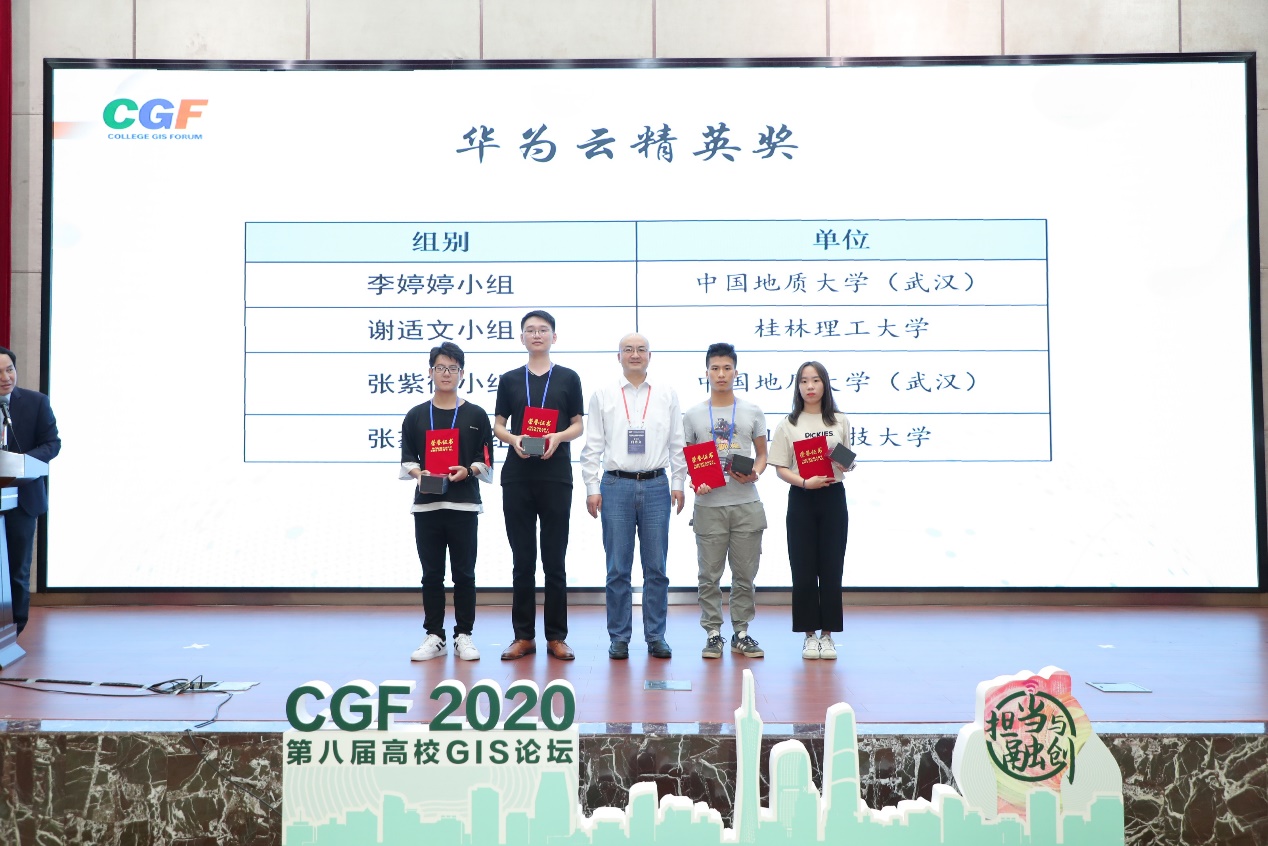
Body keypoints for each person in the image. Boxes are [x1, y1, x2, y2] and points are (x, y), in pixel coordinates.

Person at [580, 333, 686, 659]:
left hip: (656, 485)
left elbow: (677, 443)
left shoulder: (666, 393)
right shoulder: (603, 394)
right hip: (616, 486)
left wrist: (678, 482)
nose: (635, 354)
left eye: (641, 350)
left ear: (650, 356)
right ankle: (619, 638)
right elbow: (592, 446)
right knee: (617, 569)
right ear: (619, 356)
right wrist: (592, 488)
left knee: (657, 568)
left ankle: (656, 636)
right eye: (628, 349)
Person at [493, 310, 584, 661]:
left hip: (555, 475)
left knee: (555, 559)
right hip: (518, 475)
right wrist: (514, 439)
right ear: (522, 338)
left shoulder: (568, 378)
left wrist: (557, 437)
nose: (536, 335)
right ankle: (523, 636)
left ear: (553, 337)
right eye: (530, 330)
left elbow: (577, 425)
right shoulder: (510, 379)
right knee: (522, 560)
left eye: (543, 330)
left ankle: (556, 637)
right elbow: (498, 425)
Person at [399, 342, 494, 661]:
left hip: (463, 505)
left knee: (464, 574)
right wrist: (419, 473)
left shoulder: (476, 414)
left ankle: (463, 635)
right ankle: (434, 636)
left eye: (453, 368)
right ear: (430, 372)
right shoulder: (416, 415)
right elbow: (407, 459)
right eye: (440, 368)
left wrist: (468, 470)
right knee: (431, 575)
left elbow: (486, 459)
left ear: (462, 374)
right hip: (427, 505)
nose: (446, 374)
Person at [683, 343, 768, 659]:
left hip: (746, 504)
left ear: (736, 372)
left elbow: (762, 455)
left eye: (727, 368)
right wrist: (695, 481)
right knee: (709, 576)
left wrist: (756, 472)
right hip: (709, 507)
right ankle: (713, 633)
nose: (721, 374)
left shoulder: (752, 411)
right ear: (706, 372)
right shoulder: (693, 414)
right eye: (715, 368)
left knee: (745, 575)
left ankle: (741, 633)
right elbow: (687, 459)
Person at [767, 361, 853, 660]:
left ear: (825, 384)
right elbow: (780, 467)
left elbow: (848, 461)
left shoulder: (839, 420)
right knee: (803, 569)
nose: (810, 386)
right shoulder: (788, 424)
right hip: (802, 497)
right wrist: (804, 482)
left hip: (833, 497)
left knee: (831, 568)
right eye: (804, 381)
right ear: (798, 387)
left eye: (815, 380)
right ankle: (809, 636)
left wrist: (844, 463)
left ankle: (828, 636)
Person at [0, 347, 60, 637]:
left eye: (9, 369)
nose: (5, 377)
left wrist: (22, 463)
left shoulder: (36, 402)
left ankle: (13, 632)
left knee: (17, 571)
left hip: (22, 500)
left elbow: (52, 444)